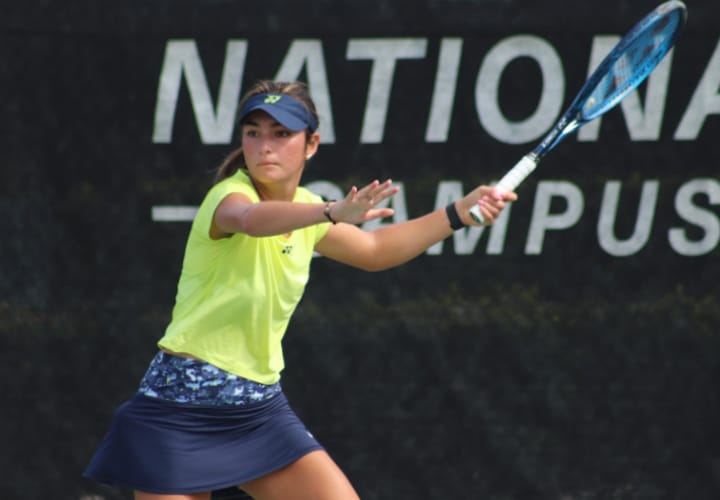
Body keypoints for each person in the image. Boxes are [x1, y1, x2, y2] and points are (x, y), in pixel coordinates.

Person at [84, 79, 517, 500]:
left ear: (311, 144)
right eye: (253, 133)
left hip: (257, 410)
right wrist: (329, 212)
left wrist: (458, 213)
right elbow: (251, 220)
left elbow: (375, 250)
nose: (264, 146)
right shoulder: (229, 197)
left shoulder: (308, 209)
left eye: (281, 133)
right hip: (179, 407)